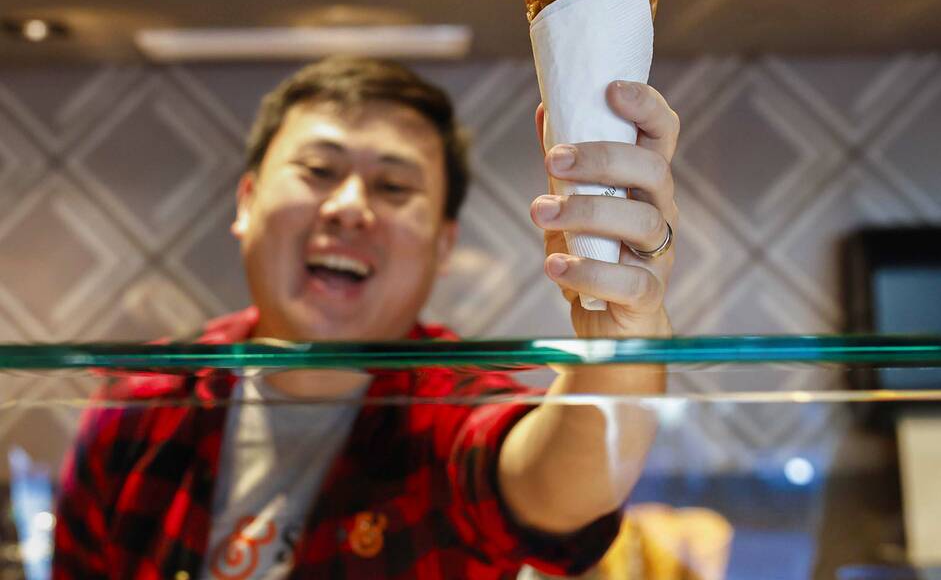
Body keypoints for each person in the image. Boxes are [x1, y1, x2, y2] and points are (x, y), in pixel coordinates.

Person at [52, 56, 680, 579]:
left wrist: (620, 338)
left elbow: (554, 486)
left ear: (442, 243)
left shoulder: (448, 408)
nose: (349, 207)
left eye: (394, 187)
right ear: (246, 201)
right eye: (318, 171)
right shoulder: (141, 406)